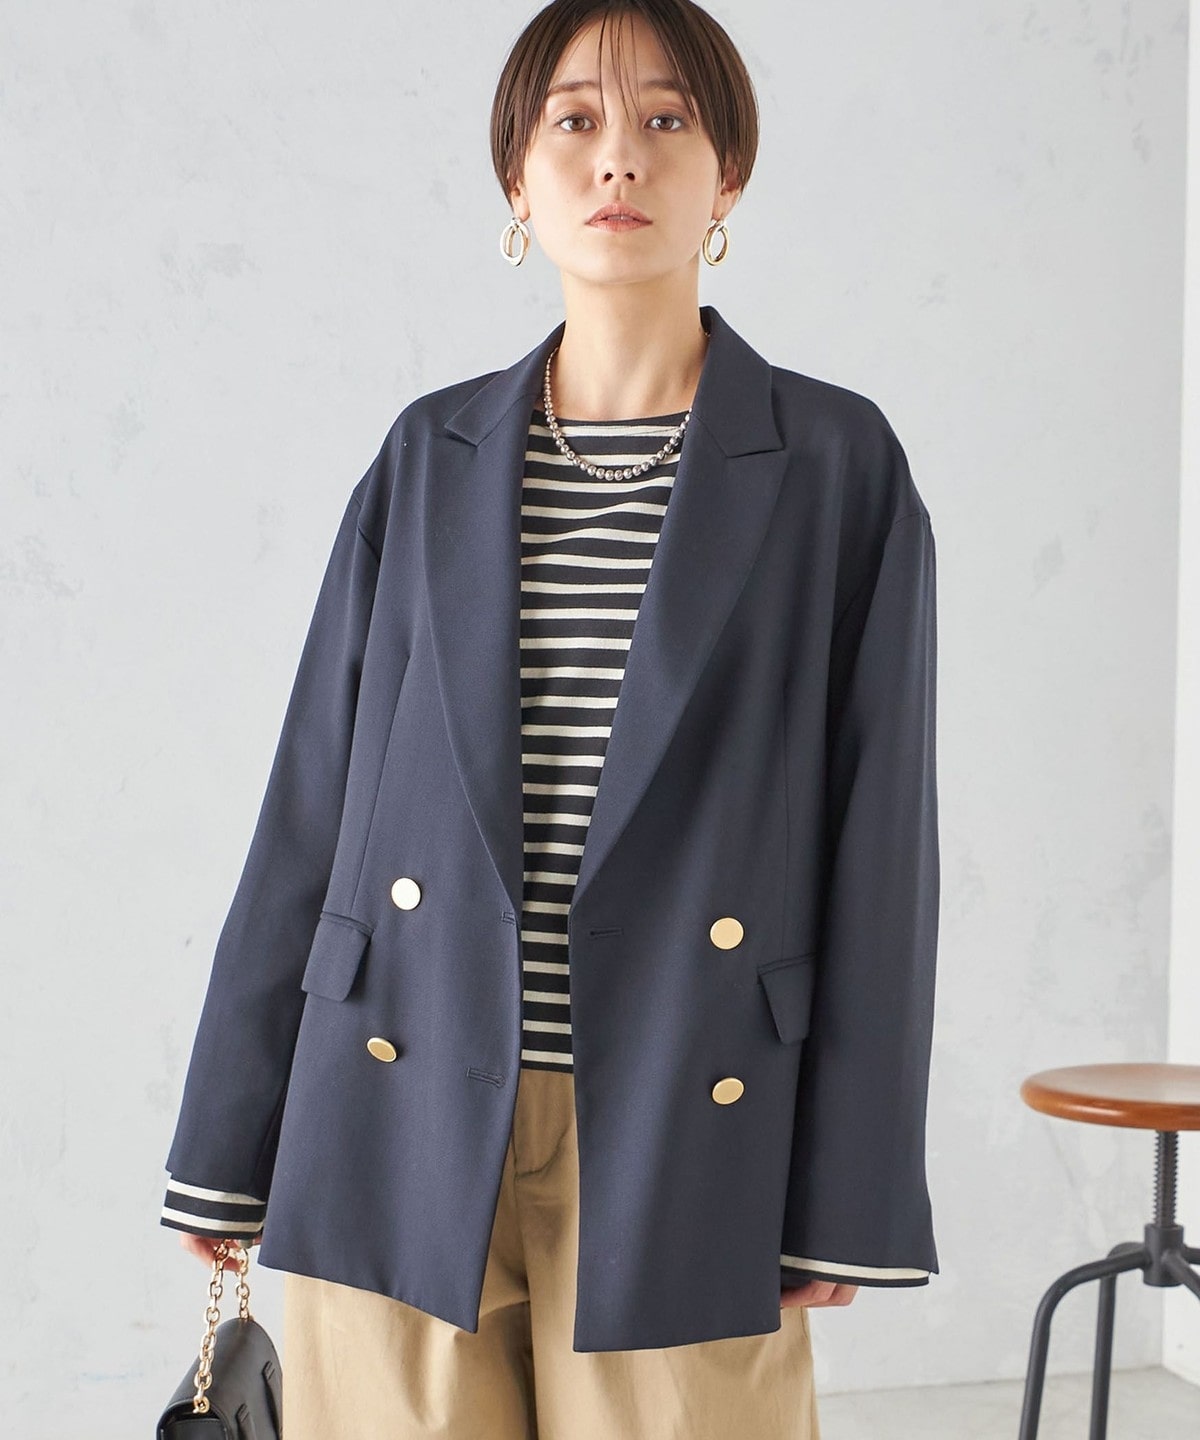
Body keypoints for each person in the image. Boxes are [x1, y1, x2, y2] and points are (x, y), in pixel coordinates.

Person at [160, 2, 940, 1436]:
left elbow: (880, 842)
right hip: (393, 1102)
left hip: (688, 1117)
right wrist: (228, 1134)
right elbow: (315, 805)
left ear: (729, 173)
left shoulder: (833, 461)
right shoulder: (432, 452)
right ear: (517, 182)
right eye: (573, 120)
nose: (617, 157)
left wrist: (849, 1191)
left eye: (666, 119)